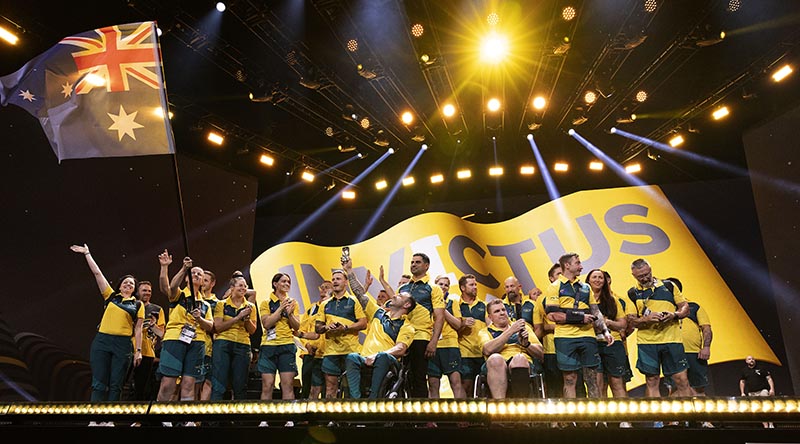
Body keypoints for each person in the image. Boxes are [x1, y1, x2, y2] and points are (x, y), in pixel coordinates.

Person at [70, 244, 144, 405]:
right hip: (102, 342)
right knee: (99, 383)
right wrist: (87, 253)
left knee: (116, 384)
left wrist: (138, 351)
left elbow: (139, 329)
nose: (128, 284)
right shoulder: (111, 297)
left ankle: (110, 419)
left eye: (131, 284)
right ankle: (95, 419)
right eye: (125, 282)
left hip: (123, 345)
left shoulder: (138, 305)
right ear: (120, 285)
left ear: (134, 289)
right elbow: (98, 273)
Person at [342, 257, 416, 398]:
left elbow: (401, 348)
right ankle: (356, 400)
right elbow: (360, 294)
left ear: (406, 305)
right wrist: (349, 271)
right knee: (352, 357)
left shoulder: (407, 326)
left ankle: (373, 399)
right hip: (365, 359)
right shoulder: (378, 313)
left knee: (383, 356)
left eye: (399, 295)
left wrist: (376, 355)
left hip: (386, 361)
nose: (394, 296)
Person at [545, 253, 612, 399]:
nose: (581, 266)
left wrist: (605, 331)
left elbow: (595, 312)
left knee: (592, 380)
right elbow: (552, 315)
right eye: (578, 263)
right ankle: (572, 419)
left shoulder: (585, 287)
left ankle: (597, 419)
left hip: (588, 337)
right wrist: (580, 318)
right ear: (567, 265)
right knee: (570, 379)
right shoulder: (554, 287)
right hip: (565, 338)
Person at [626, 259, 691, 398]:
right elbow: (632, 321)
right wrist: (646, 319)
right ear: (633, 275)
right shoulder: (632, 293)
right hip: (647, 343)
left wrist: (674, 315)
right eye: (640, 276)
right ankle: (657, 420)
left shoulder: (669, 286)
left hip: (672, 340)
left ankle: (688, 418)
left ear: (651, 269)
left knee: (681, 379)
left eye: (646, 274)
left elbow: (685, 308)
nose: (644, 278)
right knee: (652, 380)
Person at [156, 250, 214, 407]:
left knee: (189, 383)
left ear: (203, 282)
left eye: (200, 275)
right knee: (168, 383)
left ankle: (185, 419)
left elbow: (210, 325)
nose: (196, 275)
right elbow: (170, 286)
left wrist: (199, 319)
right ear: (187, 278)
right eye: (193, 272)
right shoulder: (179, 295)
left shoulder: (206, 305)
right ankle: (160, 416)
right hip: (175, 340)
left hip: (197, 343)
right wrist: (183, 268)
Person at [586, 269, 632, 419]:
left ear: (605, 281)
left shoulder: (613, 300)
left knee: (617, 382)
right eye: (594, 277)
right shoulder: (582, 300)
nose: (598, 280)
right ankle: (602, 421)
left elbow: (623, 324)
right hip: (592, 345)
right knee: (598, 385)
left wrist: (607, 322)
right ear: (588, 280)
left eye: (601, 277)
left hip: (613, 345)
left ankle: (624, 420)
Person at [398, 253, 445, 398]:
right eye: (412, 262)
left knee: (419, 378)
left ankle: (421, 418)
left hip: (421, 337)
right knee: (401, 378)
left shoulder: (433, 288)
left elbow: (440, 316)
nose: (413, 264)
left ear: (426, 266)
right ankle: (405, 418)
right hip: (401, 338)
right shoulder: (403, 288)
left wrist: (434, 341)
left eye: (417, 262)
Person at [315, 269, 367, 398]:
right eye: (333, 279)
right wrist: (327, 327)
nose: (335, 281)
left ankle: (349, 417)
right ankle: (330, 417)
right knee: (330, 388)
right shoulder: (325, 304)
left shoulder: (354, 301)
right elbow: (317, 328)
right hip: (331, 351)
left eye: (338, 279)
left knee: (350, 388)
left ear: (346, 282)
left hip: (350, 351)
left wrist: (345, 328)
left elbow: (363, 323)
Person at [479, 299, 543, 398]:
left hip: (521, 363)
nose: (501, 313)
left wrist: (527, 344)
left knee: (519, 358)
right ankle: (500, 406)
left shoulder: (523, 327)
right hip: (496, 366)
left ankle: (519, 406)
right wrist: (511, 331)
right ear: (490, 317)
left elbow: (541, 354)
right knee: (496, 359)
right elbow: (487, 350)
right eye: (497, 311)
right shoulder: (484, 332)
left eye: (503, 310)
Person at [211, 273, 257, 400]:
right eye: (240, 286)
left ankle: (238, 419)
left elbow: (252, 330)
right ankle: (214, 419)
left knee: (240, 384)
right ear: (232, 288)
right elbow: (218, 327)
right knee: (219, 383)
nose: (243, 288)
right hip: (223, 344)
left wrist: (247, 319)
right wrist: (238, 318)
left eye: (245, 286)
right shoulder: (221, 304)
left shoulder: (250, 307)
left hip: (243, 345)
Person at [258, 273, 300, 401]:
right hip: (268, 347)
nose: (286, 284)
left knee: (287, 385)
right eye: (283, 281)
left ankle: (289, 420)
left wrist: (290, 314)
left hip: (286, 345)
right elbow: (266, 323)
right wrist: (281, 309)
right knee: (267, 385)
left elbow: (296, 326)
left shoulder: (293, 303)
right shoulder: (266, 303)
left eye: (288, 282)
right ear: (275, 284)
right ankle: (264, 420)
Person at [428, 276, 465, 398]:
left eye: (446, 285)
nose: (443, 287)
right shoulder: (428, 301)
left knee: (456, 382)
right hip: (432, 344)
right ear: (435, 285)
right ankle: (434, 415)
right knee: (433, 383)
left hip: (450, 345)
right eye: (440, 284)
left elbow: (458, 324)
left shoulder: (453, 301)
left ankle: (460, 414)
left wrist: (442, 309)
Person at [453, 274, 486, 397]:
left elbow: (491, 325)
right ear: (462, 287)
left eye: (475, 284)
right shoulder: (456, 305)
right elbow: (451, 329)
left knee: (480, 388)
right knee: (466, 385)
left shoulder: (484, 305)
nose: (475, 287)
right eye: (471, 285)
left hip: (481, 352)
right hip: (464, 353)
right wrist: (462, 323)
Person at [297, 280, 331, 399]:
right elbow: (302, 330)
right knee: (308, 388)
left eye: (327, 287)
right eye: (322, 287)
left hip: (328, 354)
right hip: (310, 355)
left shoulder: (333, 309)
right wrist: (307, 345)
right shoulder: (311, 309)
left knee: (328, 388)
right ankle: (306, 416)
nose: (323, 289)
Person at [133, 281, 164, 401]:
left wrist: (153, 325)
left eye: (149, 291)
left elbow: (162, 334)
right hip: (128, 349)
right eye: (144, 290)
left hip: (147, 353)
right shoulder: (131, 306)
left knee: (142, 389)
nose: (147, 293)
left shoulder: (157, 309)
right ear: (137, 292)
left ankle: (138, 419)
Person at [197, 270, 220, 401]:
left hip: (209, 348)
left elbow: (216, 327)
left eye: (206, 280)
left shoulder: (217, 304)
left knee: (207, 381)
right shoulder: (191, 299)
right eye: (202, 280)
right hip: (190, 344)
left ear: (213, 283)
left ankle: (199, 419)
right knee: (192, 382)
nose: (202, 283)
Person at [740, 356, 775, 428]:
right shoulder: (744, 371)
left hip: (762, 390)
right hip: (752, 393)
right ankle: (765, 425)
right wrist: (742, 392)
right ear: (746, 361)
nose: (751, 360)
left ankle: (771, 424)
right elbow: (742, 382)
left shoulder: (761, 368)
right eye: (749, 359)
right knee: (759, 409)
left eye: (753, 359)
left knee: (767, 406)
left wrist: (772, 389)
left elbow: (769, 378)